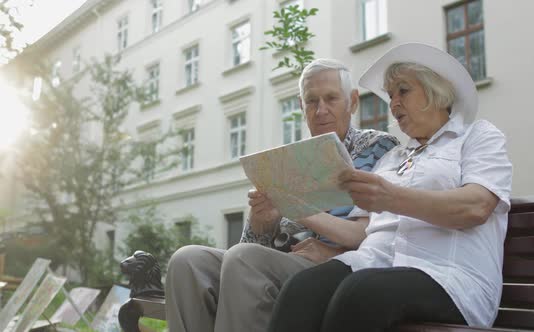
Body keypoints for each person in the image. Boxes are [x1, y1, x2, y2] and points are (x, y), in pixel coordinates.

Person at [267, 43, 513, 332]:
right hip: (376, 266)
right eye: (390, 94)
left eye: (403, 91)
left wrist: (392, 197)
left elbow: (476, 206)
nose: (393, 103)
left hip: (451, 277)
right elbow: (362, 231)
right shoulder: (390, 158)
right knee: (303, 288)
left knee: (361, 291)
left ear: (437, 91)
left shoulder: (477, 136)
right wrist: (290, 204)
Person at [165, 58, 400, 332]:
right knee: (187, 261)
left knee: (244, 260)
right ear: (302, 107)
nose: (321, 110)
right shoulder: (290, 159)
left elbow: (379, 234)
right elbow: (251, 246)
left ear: (353, 102)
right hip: (279, 259)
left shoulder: (380, 147)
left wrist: (306, 218)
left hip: (334, 267)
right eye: (311, 101)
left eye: (331, 99)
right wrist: (261, 223)